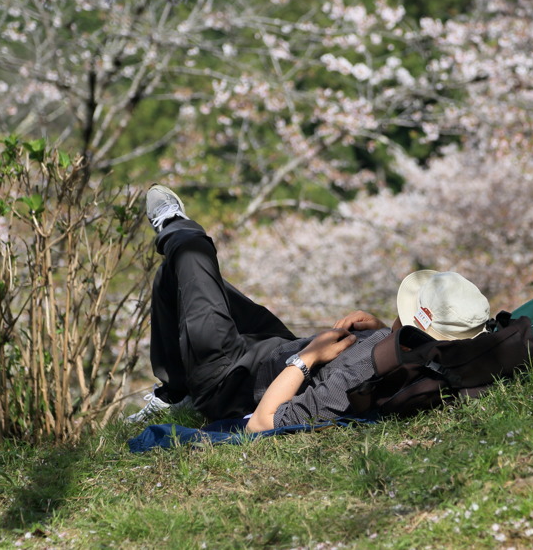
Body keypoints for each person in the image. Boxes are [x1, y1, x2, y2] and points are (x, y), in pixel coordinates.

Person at [127, 184, 494, 432]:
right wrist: (385, 331)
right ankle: (174, 390)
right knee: (182, 280)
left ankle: (175, 227)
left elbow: (263, 422)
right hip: (273, 348)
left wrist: (310, 357)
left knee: (190, 257)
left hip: (229, 379)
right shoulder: (415, 356)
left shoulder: (358, 380)